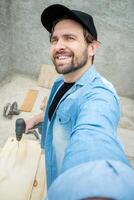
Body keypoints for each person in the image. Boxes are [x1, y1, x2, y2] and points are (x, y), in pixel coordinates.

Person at [26, 4, 134, 199]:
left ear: (92, 47)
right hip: (54, 170)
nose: (58, 46)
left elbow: (94, 137)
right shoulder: (61, 80)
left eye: (70, 38)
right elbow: (58, 110)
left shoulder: (100, 95)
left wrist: (95, 189)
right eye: (54, 39)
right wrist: (36, 118)